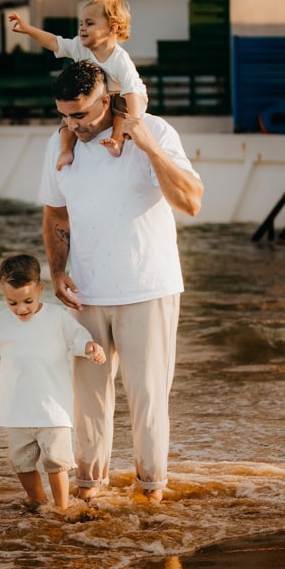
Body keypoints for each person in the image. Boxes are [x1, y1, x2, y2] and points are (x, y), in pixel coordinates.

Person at [38, 61, 203, 504]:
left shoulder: (155, 131)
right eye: (64, 115)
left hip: (147, 287)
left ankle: (151, 489)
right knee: (86, 401)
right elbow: (56, 213)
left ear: (107, 100)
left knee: (148, 398)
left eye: (80, 114)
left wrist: (149, 147)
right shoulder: (59, 143)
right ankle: (89, 488)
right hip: (85, 292)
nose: (72, 125)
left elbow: (191, 202)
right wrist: (57, 271)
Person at [0, 253, 105, 512]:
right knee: (21, 463)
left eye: (28, 301)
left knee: (56, 462)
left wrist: (90, 346)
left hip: (53, 410)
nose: (21, 308)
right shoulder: (3, 322)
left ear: (40, 289)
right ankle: (37, 500)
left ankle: (61, 507)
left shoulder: (57, 318)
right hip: (17, 411)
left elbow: (77, 338)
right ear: (4, 295)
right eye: (12, 302)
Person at [9, 0, 148, 169]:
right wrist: (29, 30)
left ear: (112, 28)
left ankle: (117, 141)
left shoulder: (120, 59)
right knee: (69, 116)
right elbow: (54, 42)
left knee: (121, 107)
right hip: (97, 97)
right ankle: (65, 150)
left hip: (125, 97)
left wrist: (135, 121)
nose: (82, 28)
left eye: (89, 23)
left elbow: (131, 90)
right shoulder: (79, 47)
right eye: (81, 23)